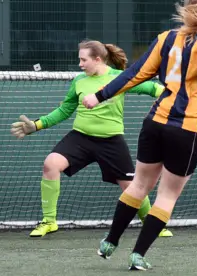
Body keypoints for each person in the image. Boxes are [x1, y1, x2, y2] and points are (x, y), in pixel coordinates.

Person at [82, 0, 197, 270]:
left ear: (187, 9)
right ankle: (138, 255)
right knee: (167, 195)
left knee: (140, 185)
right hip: (188, 128)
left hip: (155, 122)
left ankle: (110, 241)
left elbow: (134, 74)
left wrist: (100, 95)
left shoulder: (166, 39)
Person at [11, 39, 173, 239]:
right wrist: (36, 125)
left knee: (132, 187)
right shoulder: (79, 81)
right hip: (80, 138)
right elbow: (64, 110)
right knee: (50, 164)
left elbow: (151, 88)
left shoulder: (120, 78)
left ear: (97, 59)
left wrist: (172, 97)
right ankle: (49, 221)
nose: (80, 64)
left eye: (83, 60)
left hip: (111, 141)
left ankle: (152, 224)